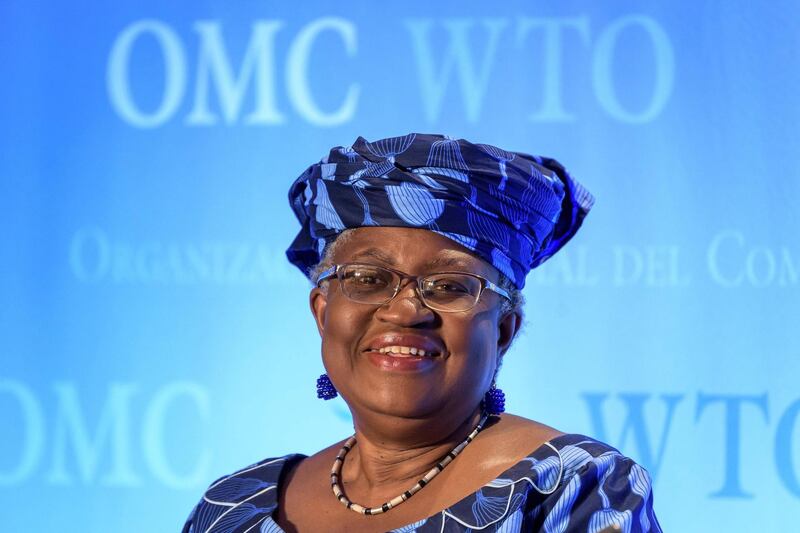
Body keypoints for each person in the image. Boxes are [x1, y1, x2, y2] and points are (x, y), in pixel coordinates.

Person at [182, 133, 662, 532]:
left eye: (450, 286)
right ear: (323, 311)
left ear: (503, 330)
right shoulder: (233, 508)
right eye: (368, 279)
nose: (406, 310)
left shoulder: (574, 488)